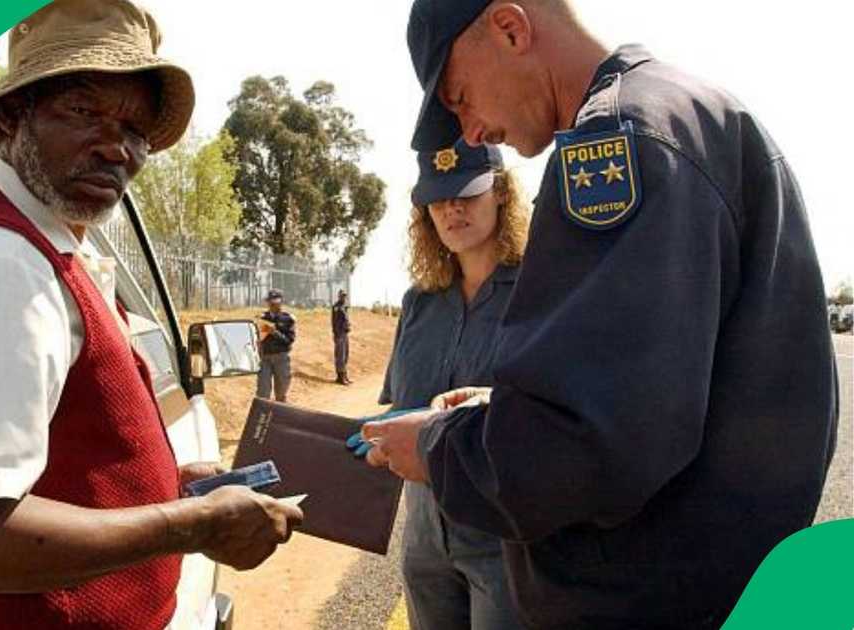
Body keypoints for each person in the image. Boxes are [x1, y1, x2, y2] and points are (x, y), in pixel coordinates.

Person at [363, 1, 838, 628]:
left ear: (510, 28)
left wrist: (437, 444)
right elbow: (657, 388)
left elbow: (589, 444)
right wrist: (505, 407)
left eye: (460, 97)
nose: (471, 132)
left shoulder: (614, 144)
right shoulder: (695, 112)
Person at [0, 2, 302, 629]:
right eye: (83, 111)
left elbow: (64, 459)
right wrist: (192, 524)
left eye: (136, 130)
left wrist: (167, 482)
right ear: (10, 117)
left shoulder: (49, 246)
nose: (117, 148)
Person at [379, 139, 529, 630]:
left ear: (502, 193)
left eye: (467, 193)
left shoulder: (542, 293)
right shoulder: (419, 303)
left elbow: (563, 414)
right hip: (424, 542)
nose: (451, 208)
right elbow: (398, 412)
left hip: (506, 542)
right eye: (438, 197)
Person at [256, 288, 297, 402]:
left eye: (275, 301)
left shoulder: (288, 319)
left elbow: (289, 340)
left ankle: (280, 415)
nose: (272, 304)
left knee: (281, 392)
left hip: (281, 358)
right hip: (265, 358)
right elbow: (256, 336)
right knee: (262, 392)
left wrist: (274, 332)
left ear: (281, 301)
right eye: (270, 301)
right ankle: (262, 416)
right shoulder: (262, 317)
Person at [332, 289, 353, 385]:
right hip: (339, 334)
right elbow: (335, 322)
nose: (344, 297)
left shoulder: (345, 307)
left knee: (345, 355)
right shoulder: (337, 307)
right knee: (340, 355)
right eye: (342, 296)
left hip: (345, 333)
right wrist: (336, 334)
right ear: (339, 296)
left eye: (345, 296)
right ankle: (340, 377)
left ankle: (344, 375)